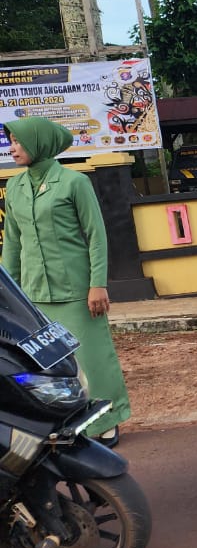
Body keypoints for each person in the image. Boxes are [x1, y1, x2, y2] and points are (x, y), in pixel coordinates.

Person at [1, 117, 130, 445]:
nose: (12, 148)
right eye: (10, 142)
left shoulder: (74, 183)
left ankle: (106, 418)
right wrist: (8, 295)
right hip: (33, 292)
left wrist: (97, 284)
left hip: (77, 289)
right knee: (49, 364)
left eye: (18, 142)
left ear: (39, 143)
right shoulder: (14, 187)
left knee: (91, 356)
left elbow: (96, 236)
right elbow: (13, 244)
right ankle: (65, 421)